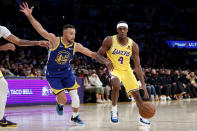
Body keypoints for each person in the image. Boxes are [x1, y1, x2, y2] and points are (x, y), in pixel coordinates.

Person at [20, 2, 96, 125]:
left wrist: (104, 58)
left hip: (66, 72)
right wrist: (29, 16)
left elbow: (92, 53)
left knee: (75, 96)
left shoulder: (76, 46)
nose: (73, 36)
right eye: (71, 33)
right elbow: (40, 30)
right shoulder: (54, 40)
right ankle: (59, 104)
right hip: (53, 74)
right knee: (63, 100)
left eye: (74, 34)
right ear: (64, 33)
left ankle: (75, 116)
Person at [96, 21, 151, 126]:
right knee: (116, 85)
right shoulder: (109, 40)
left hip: (127, 70)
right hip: (113, 69)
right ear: (117, 30)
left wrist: (143, 83)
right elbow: (97, 55)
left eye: (124, 29)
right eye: (120, 29)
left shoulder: (133, 45)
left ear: (127, 30)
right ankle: (114, 110)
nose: (122, 30)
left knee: (136, 95)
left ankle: (142, 117)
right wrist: (106, 61)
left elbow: (138, 66)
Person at [0, 25, 49, 127]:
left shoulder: (1, 29)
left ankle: (0, 119)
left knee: (3, 85)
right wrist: (2, 47)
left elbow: (19, 41)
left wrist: (37, 42)